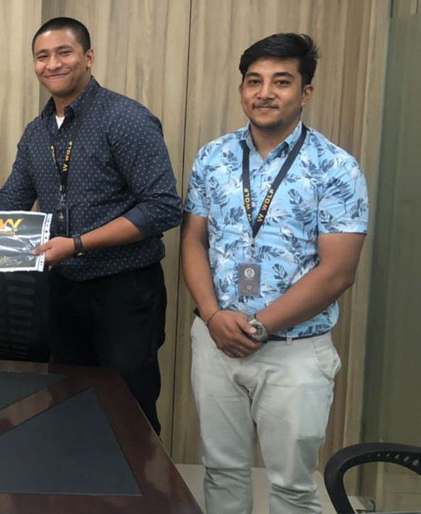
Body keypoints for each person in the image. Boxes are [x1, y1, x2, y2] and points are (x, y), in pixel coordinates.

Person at [0, 17, 180, 433]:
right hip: (63, 290)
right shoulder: (37, 132)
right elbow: (9, 203)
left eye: (64, 53)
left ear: (88, 58)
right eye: (42, 56)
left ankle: (137, 479)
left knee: (129, 409)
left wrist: (77, 244)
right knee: (70, 406)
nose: (52, 64)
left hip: (125, 291)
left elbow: (163, 207)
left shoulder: (125, 118)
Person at [181, 33, 368, 513]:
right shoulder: (213, 157)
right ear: (242, 89)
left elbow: (338, 272)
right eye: (254, 81)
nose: (265, 93)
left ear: (305, 92)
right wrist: (212, 316)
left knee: (291, 486)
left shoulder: (336, 168)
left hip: (294, 350)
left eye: (281, 82)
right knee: (221, 471)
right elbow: (193, 241)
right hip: (216, 341)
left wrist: (260, 326)